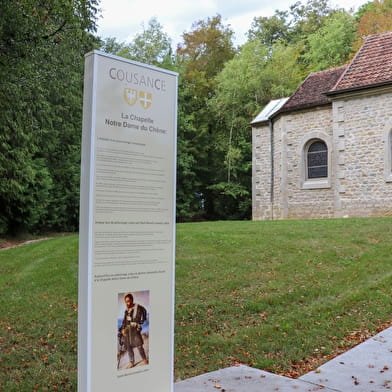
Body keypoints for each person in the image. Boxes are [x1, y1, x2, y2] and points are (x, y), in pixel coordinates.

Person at [120, 293, 148, 368]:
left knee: (139, 345)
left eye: (128, 301)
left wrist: (140, 325)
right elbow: (124, 321)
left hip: (135, 330)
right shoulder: (126, 311)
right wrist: (122, 329)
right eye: (126, 302)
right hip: (127, 331)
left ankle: (144, 360)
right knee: (128, 347)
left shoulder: (138, 307)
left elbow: (143, 317)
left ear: (132, 300)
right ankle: (132, 362)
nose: (127, 303)